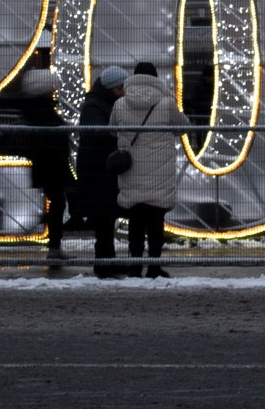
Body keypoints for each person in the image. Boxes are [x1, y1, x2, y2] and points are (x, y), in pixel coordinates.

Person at [109, 61, 186, 278]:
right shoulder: (166, 102)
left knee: (135, 221)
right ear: (155, 78)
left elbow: (112, 131)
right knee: (155, 221)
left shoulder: (121, 104)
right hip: (159, 171)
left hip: (131, 169)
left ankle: (134, 265)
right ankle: (154, 266)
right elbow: (184, 127)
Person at [0, 69, 72, 262]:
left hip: (37, 165)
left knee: (49, 203)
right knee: (56, 202)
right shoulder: (48, 115)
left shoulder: (27, 114)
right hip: (50, 165)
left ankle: (49, 236)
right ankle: (54, 244)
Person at [73, 67, 126, 278]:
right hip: (98, 171)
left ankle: (107, 260)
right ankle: (104, 263)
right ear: (114, 88)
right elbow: (97, 133)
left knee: (107, 218)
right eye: (121, 88)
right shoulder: (95, 106)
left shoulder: (99, 103)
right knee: (104, 218)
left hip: (101, 169)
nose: (124, 92)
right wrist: (117, 134)